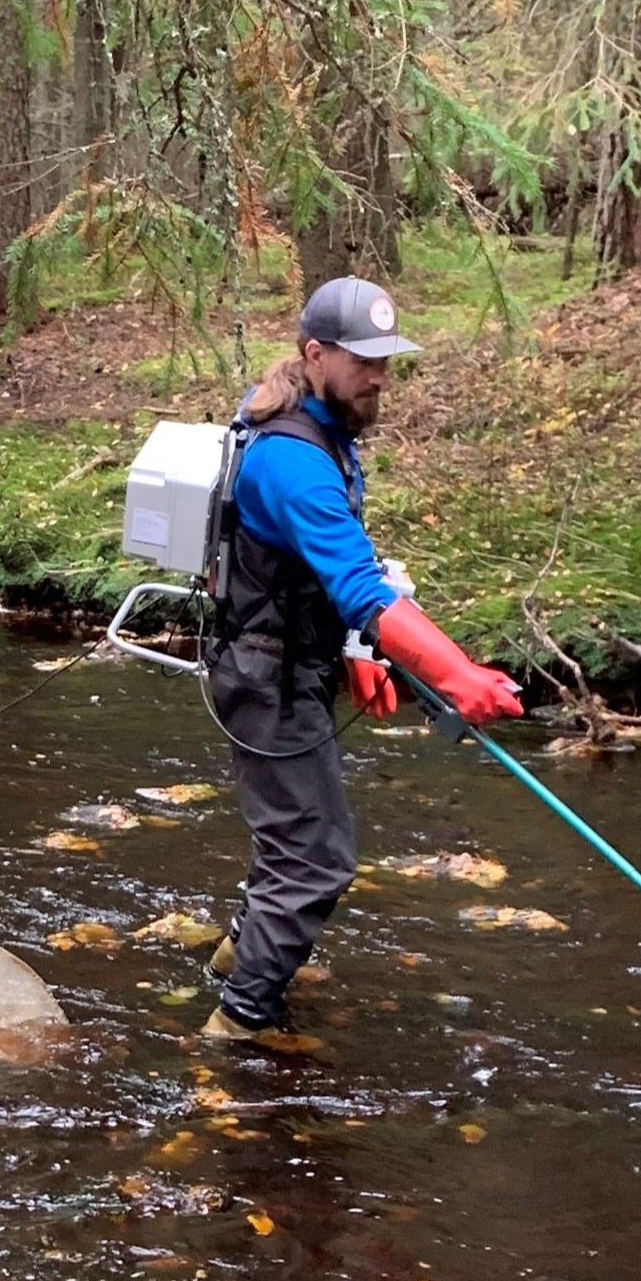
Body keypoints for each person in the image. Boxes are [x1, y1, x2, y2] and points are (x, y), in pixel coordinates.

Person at [201, 275, 526, 1042]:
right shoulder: (294, 460)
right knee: (315, 859)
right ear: (315, 355)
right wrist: (458, 676)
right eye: (363, 360)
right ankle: (234, 1033)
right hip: (263, 678)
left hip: (286, 666)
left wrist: (356, 651)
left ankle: (234, 958)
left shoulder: (324, 428)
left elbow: (333, 570)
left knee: (294, 840)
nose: (380, 376)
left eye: (387, 359)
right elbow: (359, 586)